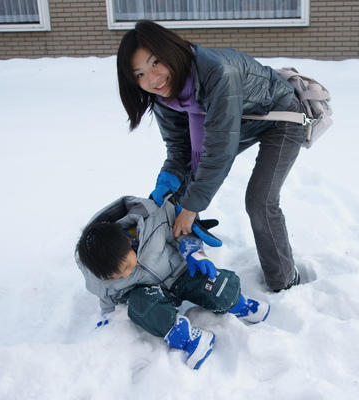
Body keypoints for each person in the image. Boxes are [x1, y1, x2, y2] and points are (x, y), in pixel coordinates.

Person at [116, 20, 304, 292]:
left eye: (155, 63)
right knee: (181, 186)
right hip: (241, 121)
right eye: (139, 74)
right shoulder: (165, 96)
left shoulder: (218, 72)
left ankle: (285, 281)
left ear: (171, 50)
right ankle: (176, 264)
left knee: (260, 200)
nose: (152, 79)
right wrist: (168, 181)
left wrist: (191, 208)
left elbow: (218, 151)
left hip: (282, 117)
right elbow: (180, 149)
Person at [75, 195, 270, 370]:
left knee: (213, 283)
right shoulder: (99, 274)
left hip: (181, 273)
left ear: (128, 243)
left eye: (126, 265)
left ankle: (240, 303)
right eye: (118, 276)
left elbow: (180, 232)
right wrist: (109, 316)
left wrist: (191, 249)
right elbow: (106, 296)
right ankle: (188, 338)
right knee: (139, 306)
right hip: (150, 295)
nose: (127, 272)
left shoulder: (152, 222)